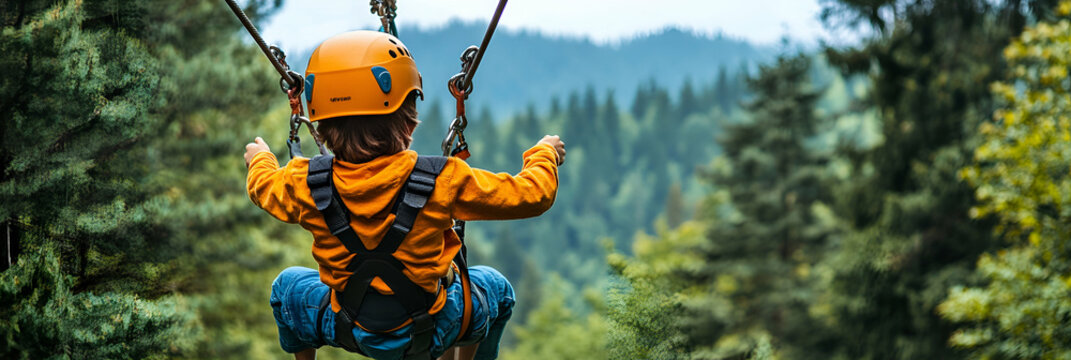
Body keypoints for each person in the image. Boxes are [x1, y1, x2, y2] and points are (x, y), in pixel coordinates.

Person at [242, 30, 565, 360]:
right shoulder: (444, 179)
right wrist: (544, 154)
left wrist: (260, 158)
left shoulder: (303, 180)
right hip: (435, 325)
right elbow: (533, 194)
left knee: (286, 287)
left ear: (320, 122)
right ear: (409, 120)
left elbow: (262, 187)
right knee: (494, 286)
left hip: (348, 326)